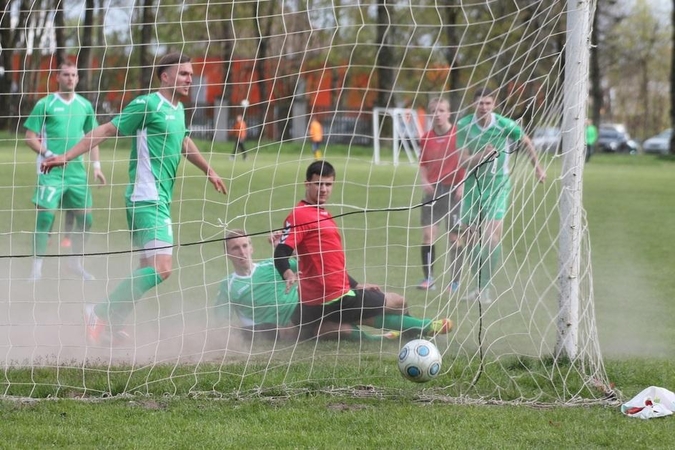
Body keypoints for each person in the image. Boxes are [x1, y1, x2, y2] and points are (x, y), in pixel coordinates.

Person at [41, 52, 228, 345]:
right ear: (165, 76)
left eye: (190, 74)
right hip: (146, 198)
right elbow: (105, 129)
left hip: (158, 199)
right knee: (162, 268)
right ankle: (98, 312)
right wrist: (65, 156)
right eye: (183, 74)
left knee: (147, 268)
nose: (190, 79)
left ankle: (112, 323)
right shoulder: (147, 104)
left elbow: (183, 141)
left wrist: (210, 171)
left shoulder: (177, 109)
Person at [273, 160, 453, 339]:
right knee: (398, 301)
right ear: (307, 184)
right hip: (333, 296)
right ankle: (424, 327)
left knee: (306, 331)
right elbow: (281, 251)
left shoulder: (321, 213)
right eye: (318, 184)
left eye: (328, 184)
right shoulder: (300, 214)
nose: (324, 189)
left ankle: (399, 335)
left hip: (313, 301)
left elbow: (329, 264)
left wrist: (355, 284)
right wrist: (288, 273)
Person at [216, 229, 403, 342]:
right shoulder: (228, 285)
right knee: (337, 329)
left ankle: (413, 330)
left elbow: (314, 265)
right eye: (235, 248)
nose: (242, 252)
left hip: (312, 308)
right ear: (227, 253)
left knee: (395, 301)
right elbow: (221, 323)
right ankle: (380, 339)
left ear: (252, 247)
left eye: (245, 245)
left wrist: (286, 248)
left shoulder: (271, 265)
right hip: (289, 328)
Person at [456, 88, 546, 304]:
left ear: (493, 105)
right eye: (480, 103)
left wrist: (538, 168)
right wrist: (481, 156)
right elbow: (463, 161)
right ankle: (478, 283)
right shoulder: (463, 125)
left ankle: (484, 288)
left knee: (491, 236)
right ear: (473, 105)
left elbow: (525, 141)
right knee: (468, 237)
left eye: (487, 103)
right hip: (473, 184)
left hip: (498, 184)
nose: (484, 107)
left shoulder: (504, 124)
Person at [24, 60, 106, 281]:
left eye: (74, 75)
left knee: (86, 220)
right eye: (66, 74)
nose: (70, 78)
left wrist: (96, 167)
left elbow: (93, 138)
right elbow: (29, 137)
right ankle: (36, 269)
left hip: (77, 173)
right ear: (57, 78)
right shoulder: (45, 104)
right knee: (45, 219)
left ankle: (74, 263)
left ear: (78, 78)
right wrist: (49, 154)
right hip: (50, 172)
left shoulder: (85, 106)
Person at [416, 98, 465, 294]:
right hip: (433, 191)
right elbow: (422, 163)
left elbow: (468, 161)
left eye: (441, 110)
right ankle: (429, 279)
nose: (437, 114)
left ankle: (455, 281)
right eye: (433, 111)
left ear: (449, 113)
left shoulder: (459, 135)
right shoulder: (426, 137)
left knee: (455, 237)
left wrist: (463, 183)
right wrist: (425, 181)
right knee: (428, 235)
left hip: (454, 191)